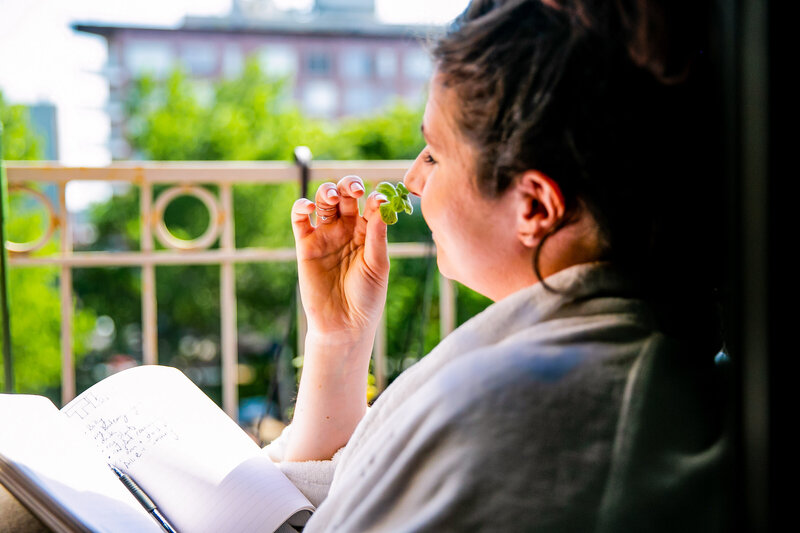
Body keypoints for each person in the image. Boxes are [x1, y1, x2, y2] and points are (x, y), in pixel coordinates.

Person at [265, 0, 731, 531]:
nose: (413, 180)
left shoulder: (518, 414)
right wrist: (339, 341)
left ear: (534, 206)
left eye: (435, 154)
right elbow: (343, 496)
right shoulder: (631, 365)